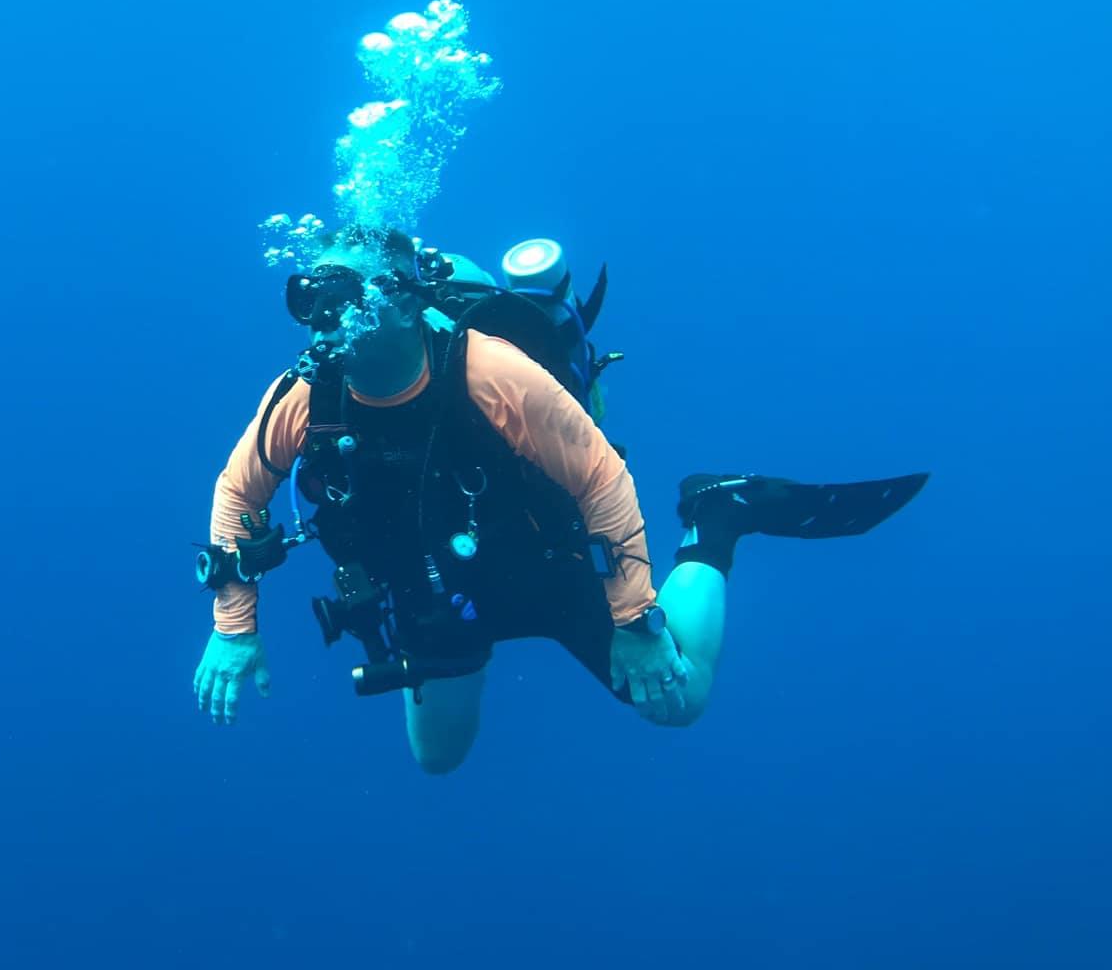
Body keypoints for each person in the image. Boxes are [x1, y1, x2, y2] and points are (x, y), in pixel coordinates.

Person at [190, 223, 927, 774]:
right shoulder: (302, 397)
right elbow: (238, 491)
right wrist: (233, 627)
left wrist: (634, 620)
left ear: (407, 305)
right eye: (312, 295)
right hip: (434, 588)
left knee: (679, 701)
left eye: (347, 294)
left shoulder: (489, 373)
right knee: (437, 758)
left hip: (546, 563)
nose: (328, 316)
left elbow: (601, 479)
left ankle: (717, 514)